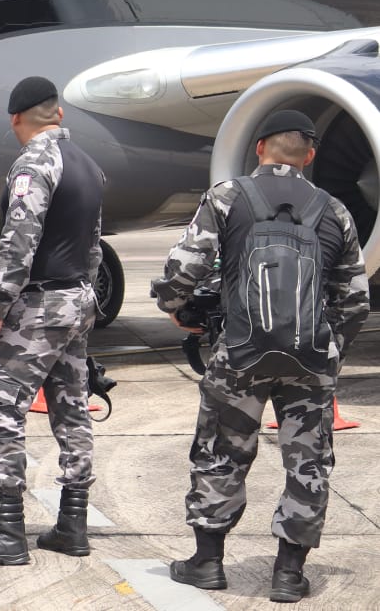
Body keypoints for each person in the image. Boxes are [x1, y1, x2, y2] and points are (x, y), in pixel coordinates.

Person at [152, 110, 368, 603]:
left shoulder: (228, 197)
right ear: (310, 155)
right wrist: (326, 349)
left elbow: (184, 270)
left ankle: (207, 563)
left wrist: (175, 307)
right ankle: (289, 574)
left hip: (241, 356)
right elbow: (355, 301)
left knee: (221, 453)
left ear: (260, 147)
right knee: (308, 463)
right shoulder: (334, 210)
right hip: (311, 361)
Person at [0, 76, 105, 568]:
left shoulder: (34, 164)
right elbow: (94, 244)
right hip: (79, 298)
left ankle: (8, 530)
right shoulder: (89, 165)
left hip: (40, 304)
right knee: (70, 406)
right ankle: (72, 525)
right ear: (57, 113)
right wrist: (83, 301)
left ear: (16, 118)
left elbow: (19, 242)